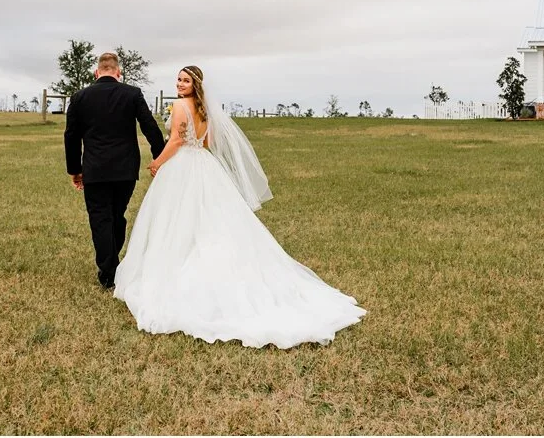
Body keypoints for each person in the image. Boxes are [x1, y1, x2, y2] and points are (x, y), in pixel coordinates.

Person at [114, 65, 366, 349]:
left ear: (194, 84)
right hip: (203, 164)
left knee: (178, 219)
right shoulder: (204, 109)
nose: (180, 83)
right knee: (207, 217)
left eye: (185, 80)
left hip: (182, 166)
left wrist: (158, 162)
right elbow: (206, 141)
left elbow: (174, 141)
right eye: (178, 79)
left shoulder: (179, 108)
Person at [64, 52, 166, 289]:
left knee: (100, 218)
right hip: (125, 169)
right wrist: (159, 157)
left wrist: (75, 169)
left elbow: (71, 136)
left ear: (96, 72)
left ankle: (108, 271)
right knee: (117, 215)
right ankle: (112, 266)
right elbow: (149, 126)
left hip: (95, 169)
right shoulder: (132, 94)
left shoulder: (79, 97)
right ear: (119, 73)